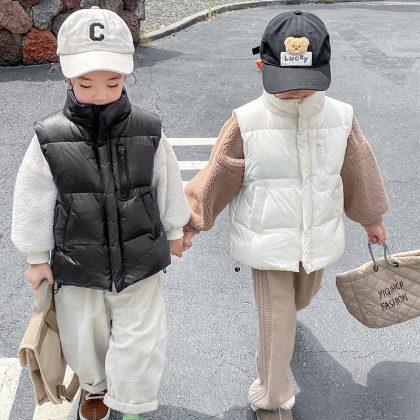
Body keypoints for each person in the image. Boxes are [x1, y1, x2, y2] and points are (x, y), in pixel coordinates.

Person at [183, 10, 388, 420]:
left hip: (317, 236)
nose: (295, 92)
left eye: (305, 83)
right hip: (266, 240)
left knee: (301, 298)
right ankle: (273, 397)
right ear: (262, 68)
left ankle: (286, 329)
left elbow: (358, 171)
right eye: (286, 84)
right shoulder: (247, 121)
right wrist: (191, 223)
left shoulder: (340, 117)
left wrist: (371, 218)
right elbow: (217, 176)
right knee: (276, 322)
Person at [11, 7, 190, 420]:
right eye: (86, 83)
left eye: (113, 82)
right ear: (67, 77)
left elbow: (166, 180)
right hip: (78, 264)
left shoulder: (148, 129)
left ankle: (131, 404)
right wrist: (36, 257)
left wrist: (175, 228)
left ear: (126, 75)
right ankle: (95, 387)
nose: (100, 93)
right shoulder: (50, 137)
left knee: (141, 341)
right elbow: (33, 198)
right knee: (83, 339)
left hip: (140, 259)